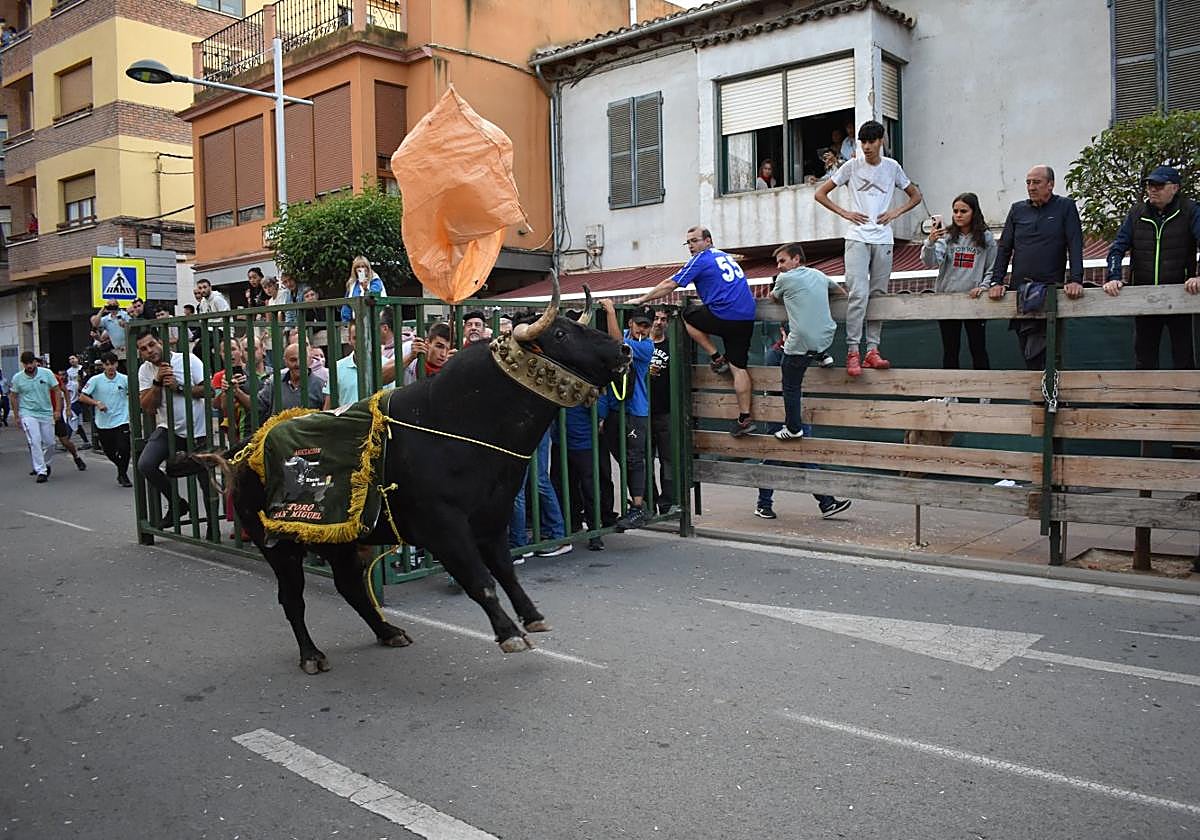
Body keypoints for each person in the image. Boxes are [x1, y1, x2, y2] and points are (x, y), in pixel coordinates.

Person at [753, 244, 853, 521]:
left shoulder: (784, 342)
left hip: (791, 411)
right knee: (778, 456)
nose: (779, 266)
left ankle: (824, 502)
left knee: (796, 454)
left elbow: (778, 300)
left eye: (782, 261)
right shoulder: (775, 352)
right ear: (782, 330)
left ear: (797, 260)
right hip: (778, 413)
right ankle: (767, 502)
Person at [815, 120, 922, 376]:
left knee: (879, 295)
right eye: (862, 141)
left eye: (871, 141)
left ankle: (872, 350)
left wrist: (895, 213)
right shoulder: (851, 166)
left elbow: (916, 196)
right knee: (858, 293)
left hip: (883, 238)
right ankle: (853, 351)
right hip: (857, 237)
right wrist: (845, 212)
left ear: (881, 141)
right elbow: (820, 193)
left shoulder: (892, 167)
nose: (866, 147)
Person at [629, 226, 758, 436]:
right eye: (688, 242)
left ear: (708, 241)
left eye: (695, 241)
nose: (691, 246)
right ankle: (745, 418)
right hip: (746, 317)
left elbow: (671, 283)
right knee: (739, 368)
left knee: (686, 314)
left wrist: (642, 299)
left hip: (724, 314)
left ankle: (716, 357)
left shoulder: (701, 259)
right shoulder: (725, 256)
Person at [987, 165, 1085, 369]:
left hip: (1050, 292)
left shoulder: (1065, 207)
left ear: (1051, 184)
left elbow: (1075, 245)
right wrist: (996, 281)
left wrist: (1076, 280)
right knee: (1027, 353)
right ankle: (1037, 400)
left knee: (1050, 354)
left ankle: (1054, 399)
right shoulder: (1017, 209)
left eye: (1036, 182)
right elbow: (1004, 248)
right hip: (1020, 292)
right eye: (1028, 182)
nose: (1031, 187)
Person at [1104, 164, 1200, 370]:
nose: (1152, 189)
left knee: (1183, 356)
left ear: (1174, 188)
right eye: (1149, 185)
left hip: (1180, 295)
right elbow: (1116, 249)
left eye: (1158, 185)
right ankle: (1142, 402)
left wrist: (1198, 276)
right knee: (1144, 356)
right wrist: (1113, 276)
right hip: (1144, 295)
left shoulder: (1190, 210)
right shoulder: (1136, 213)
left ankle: (1186, 402)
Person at [134, 328, 211, 525]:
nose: (149, 351)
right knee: (146, 464)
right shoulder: (145, 370)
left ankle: (213, 527)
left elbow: (208, 391)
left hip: (197, 429)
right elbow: (147, 406)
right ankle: (177, 504)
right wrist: (157, 383)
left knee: (206, 482)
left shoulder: (188, 360)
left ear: (161, 341)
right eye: (143, 349)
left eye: (152, 344)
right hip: (168, 428)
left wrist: (180, 387)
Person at [920, 192, 997, 370]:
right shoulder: (946, 236)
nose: (958, 215)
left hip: (974, 299)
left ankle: (984, 395)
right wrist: (930, 242)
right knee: (950, 349)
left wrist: (984, 287)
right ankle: (951, 395)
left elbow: (992, 267)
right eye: (955, 211)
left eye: (963, 211)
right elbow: (931, 261)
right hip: (948, 299)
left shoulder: (986, 237)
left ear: (974, 212)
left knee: (978, 348)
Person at [598, 300, 654, 531]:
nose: (643, 329)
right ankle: (637, 502)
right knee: (621, 458)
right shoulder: (623, 334)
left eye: (646, 326)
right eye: (639, 325)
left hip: (635, 410)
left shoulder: (647, 346)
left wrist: (611, 311)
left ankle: (638, 507)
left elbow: (616, 344)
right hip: (614, 408)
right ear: (630, 322)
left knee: (633, 458)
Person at [78, 351, 132, 486]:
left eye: (113, 364)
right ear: (103, 366)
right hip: (103, 422)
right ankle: (121, 469)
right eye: (107, 365)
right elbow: (82, 396)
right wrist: (96, 403)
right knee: (109, 451)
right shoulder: (95, 380)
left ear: (117, 364)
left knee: (124, 448)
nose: (110, 367)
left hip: (122, 419)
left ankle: (123, 475)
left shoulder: (124, 379)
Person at [233, 343, 324, 418]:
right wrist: (236, 391)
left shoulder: (321, 385)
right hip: (279, 438)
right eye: (293, 360)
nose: (298, 364)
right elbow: (257, 405)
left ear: (310, 360)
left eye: (302, 359)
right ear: (285, 361)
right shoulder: (275, 382)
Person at [10, 351, 61, 482]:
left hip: (46, 412)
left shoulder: (46, 373)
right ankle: (41, 471)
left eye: (31, 363)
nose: (29, 366)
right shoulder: (17, 378)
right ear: (23, 364)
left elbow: (56, 389)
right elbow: (14, 396)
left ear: (35, 362)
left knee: (50, 443)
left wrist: (58, 410)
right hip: (28, 413)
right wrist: (17, 416)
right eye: (26, 364)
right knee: (35, 440)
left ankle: (45, 463)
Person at [648, 306, 674, 514]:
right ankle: (648, 502)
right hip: (642, 411)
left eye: (663, 319)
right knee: (644, 459)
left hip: (665, 410)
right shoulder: (639, 343)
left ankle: (666, 503)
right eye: (656, 318)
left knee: (668, 459)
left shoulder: (671, 345)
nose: (659, 322)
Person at [52, 370, 88, 472]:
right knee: (37, 441)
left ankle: (76, 456)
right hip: (40, 414)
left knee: (65, 440)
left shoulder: (51, 377)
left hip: (56, 412)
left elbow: (66, 392)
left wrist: (67, 408)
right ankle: (40, 466)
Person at [340, 256, 386, 322]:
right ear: (354, 269)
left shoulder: (375, 280)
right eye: (358, 267)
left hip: (377, 320)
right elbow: (347, 304)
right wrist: (346, 322)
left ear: (367, 268)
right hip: (357, 322)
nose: (360, 269)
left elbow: (374, 296)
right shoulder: (352, 283)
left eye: (363, 266)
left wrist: (365, 288)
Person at [93, 300, 130, 368]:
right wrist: (102, 310)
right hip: (117, 350)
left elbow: (132, 327)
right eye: (110, 306)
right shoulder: (107, 319)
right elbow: (95, 324)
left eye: (114, 305)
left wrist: (125, 324)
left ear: (118, 306)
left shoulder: (125, 314)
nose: (112, 307)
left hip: (128, 348)